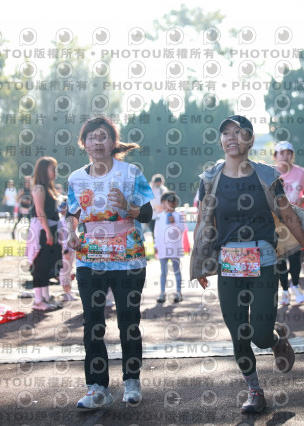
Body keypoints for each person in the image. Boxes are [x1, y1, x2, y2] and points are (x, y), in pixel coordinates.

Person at [193, 115, 304, 414]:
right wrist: (200, 263)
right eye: (226, 133)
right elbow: (203, 222)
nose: (232, 137)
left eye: (239, 132)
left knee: (261, 336)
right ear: (221, 140)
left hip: (263, 261)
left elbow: (289, 216)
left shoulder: (266, 176)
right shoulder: (210, 179)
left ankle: (275, 339)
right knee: (238, 332)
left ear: (250, 140)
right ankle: (254, 391)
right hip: (229, 264)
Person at [65, 116, 154, 409]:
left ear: (113, 142)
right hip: (90, 256)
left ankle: (132, 380)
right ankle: (97, 387)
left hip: (127, 256)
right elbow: (72, 213)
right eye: (92, 137)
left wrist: (127, 207)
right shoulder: (76, 178)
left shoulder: (130, 173)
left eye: (103, 136)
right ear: (84, 143)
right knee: (93, 322)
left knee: (129, 320)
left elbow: (147, 213)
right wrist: (71, 233)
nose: (97, 142)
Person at [273, 141, 304, 305]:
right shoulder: (270, 173)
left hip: (296, 221)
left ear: (292, 155)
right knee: (280, 258)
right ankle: (284, 291)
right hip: (277, 223)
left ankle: (295, 286)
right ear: (275, 156)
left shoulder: (301, 172)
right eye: (282, 153)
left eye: (289, 153)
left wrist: (303, 199)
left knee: (295, 257)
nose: (285, 156)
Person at [26, 157, 63, 311]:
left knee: (48, 264)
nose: (55, 172)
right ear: (43, 170)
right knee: (40, 265)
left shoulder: (48, 189)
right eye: (52, 169)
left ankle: (46, 297)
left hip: (50, 228)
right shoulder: (39, 188)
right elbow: (40, 212)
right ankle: (38, 300)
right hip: (42, 229)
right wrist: (48, 232)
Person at [154, 191, 186, 303]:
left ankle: (178, 292)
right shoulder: (159, 217)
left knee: (176, 271)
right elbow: (156, 232)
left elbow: (181, 230)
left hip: (174, 248)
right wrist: (155, 245)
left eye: (170, 202)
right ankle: (162, 293)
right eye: (164, 202)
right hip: (163, 248)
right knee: (163, 272)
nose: (167, 205)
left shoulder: (178, 216)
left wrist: (174, 223)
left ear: (175, 203)